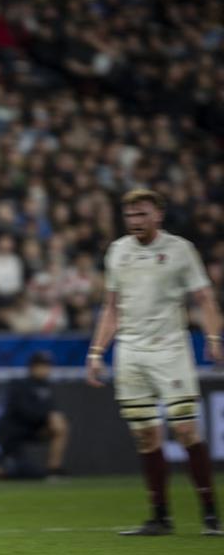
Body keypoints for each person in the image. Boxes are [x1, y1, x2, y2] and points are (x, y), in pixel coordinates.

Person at [87, 188, 223, 536]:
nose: (135, 221)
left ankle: (210, 514)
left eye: (142, 214)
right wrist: (97, 352)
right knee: (146, 437)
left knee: (186, 429)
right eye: (130, 215)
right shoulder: (118, 252)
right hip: (130, 353)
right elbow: (111, 308)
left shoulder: (180, 250)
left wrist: (212, 337)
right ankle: (160, 517)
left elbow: (204, 296)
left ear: (158, 215)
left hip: (170, 350)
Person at [0, 351, 69, 479]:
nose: (45, 369)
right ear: (32, 367)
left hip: (30, 431)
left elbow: (51, 411)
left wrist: (51, 419)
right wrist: (46, 417)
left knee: (59, 424)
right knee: (24, 472)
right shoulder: (20, 385)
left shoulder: (46, 387)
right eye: (42, 365)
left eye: (47, 366)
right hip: (11, 435)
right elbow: (25, 412)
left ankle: (54, 468)